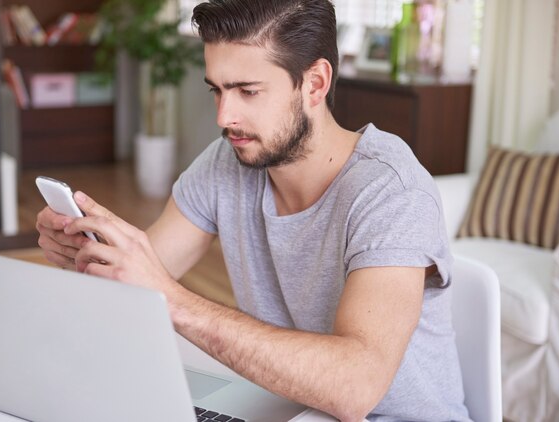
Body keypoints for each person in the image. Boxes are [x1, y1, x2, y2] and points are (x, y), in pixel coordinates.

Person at [36, 1, 471, 421]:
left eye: (247, 91)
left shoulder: (390, 191)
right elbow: (143, 281)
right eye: (217, 91)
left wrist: (174, 300)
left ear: (315, 84)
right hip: (290, 410)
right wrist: (90, 254)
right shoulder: (226, 163)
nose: (225, 117)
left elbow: (356, 388)